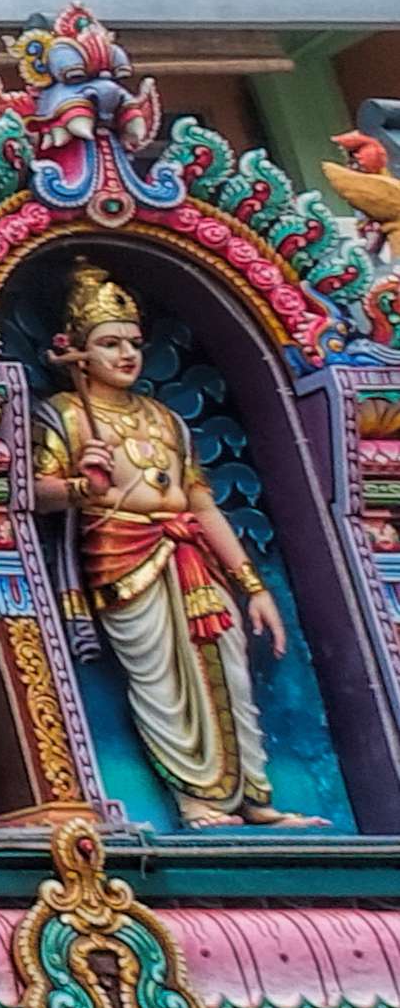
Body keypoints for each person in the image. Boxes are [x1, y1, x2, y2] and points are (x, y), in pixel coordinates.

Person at [33, 268, 307, 826]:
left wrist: (252, 587)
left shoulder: (165, 420)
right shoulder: (64, 413)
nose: (127, 355)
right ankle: (195, 797)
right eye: (110, 344)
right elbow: (36, 493)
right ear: (77, 352)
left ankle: (253, 795)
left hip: (190, 554)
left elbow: (201, 504)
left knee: (230, 666)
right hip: (121, 552)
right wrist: (85, 485)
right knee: (159, 677)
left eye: (134, 343)